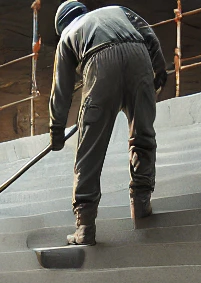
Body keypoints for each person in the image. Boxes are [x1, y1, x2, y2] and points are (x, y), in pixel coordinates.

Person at [49, 1, 168, 245]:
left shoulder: (67, 37)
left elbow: (61, 90)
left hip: (101, 64)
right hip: (139, 56)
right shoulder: (117, 10)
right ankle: (141, 206)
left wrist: (56, 130)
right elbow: (150, 36)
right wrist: (159, 69)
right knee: (143, 135)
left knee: (89, 150)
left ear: (62, 26)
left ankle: (85, 228)